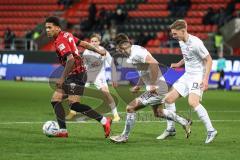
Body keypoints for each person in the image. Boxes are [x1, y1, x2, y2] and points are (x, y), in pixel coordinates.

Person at [109, 33, 192, 143]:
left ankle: (124, 136)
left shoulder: (136, 53)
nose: (117, 50)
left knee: (130, 107)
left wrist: (153, 84)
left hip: (158, 87)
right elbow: (144, 71)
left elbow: (154, 63)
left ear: (122, 46)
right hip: (159, 86)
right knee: (158, 113)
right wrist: (138, 86)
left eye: (117, 47)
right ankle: (184, 122)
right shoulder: (132, 53)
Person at [45, 16, 112, 138]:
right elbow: (83, 44)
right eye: (46, 28)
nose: (47, 30)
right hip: (75, 74)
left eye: (50, 27)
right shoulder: (67, 35)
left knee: (74, 104)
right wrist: (98, 50)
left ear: (57, 28)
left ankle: (104, 121)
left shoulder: (60, 41)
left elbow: (70, 60)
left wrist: (62, 78)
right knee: (55, 100)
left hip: (77, 74)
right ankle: (63, 131)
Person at [159, 19, 217, 144]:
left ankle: (211, 130)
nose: (173, 36)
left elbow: (209, 60)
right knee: (168, 99)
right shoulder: (181, 41)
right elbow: (187, 56)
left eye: (175, 33)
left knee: (192, 101)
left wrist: (205, 79)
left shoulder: (196, 43)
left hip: (197, 76)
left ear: (183, 31)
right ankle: (171, 129)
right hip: (187, 75)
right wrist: (178, 64)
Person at [66, 33, 121, 122]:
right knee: (78, 93)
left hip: (99, 76)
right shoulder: (87, 52)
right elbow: (82, 65)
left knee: (107, 94)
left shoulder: (104, 52)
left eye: (96, 41)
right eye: (92, 41)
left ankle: (116, 115)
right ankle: (73, 111)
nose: (94, 43)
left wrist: (114, 78)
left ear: (99, 42)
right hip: (87, 75)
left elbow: (112, 64)